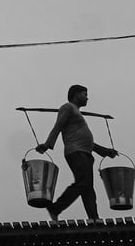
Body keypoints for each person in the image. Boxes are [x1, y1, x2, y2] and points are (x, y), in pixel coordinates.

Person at [35, 84, 117, 222]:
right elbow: (58, 126)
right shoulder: (67, 107)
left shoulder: (77, 113)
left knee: (88, 187)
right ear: (76, 94)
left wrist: (105, 151)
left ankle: (93, 217)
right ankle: (55, 208)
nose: (87, 97)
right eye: (84, 94)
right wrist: (48, 144)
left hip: (85, 153)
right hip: (75, 151)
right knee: (83, 182)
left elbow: (88, 142)